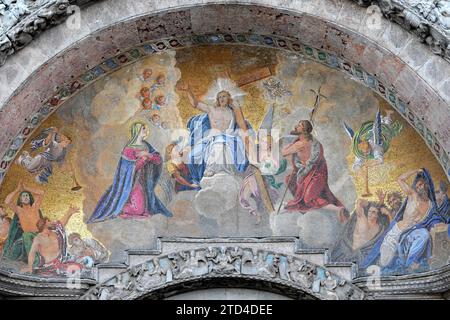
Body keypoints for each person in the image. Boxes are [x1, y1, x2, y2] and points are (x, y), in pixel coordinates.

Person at [361, 168, 445, 274]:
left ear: (427, 185)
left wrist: (438, 223)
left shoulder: (431, 205)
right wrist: (415, 171)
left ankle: (410, 264)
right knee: (385, 263)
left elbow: (434, 218)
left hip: (411, 235)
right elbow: (400, 179)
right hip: (397, 233)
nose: (418, 188)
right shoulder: (413, 196)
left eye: (421, 185)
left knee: (424, 234)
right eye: (417, 186)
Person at [87, 122, 172, 223]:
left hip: (144, 182)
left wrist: (148, 155)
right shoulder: (129, 149)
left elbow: (158, 160)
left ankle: (123, 205)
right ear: (137, 131)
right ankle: (119, 208)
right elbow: (127, 170)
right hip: (131, 183)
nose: (146, 131)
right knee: (138, 210)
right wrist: (143, 160)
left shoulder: (146, 146)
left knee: (144, 208)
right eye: (143, 129)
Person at [178, 83, 251, 183]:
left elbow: (242, 126)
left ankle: (211, 168)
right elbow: (195, 104)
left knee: (219, 143)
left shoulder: (233, 112)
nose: (221, 98)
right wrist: (188, 90)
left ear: (229, 98)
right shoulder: (211, 109)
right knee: (191, 156)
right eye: (219, 97)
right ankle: (197, 179)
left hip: (229, 138)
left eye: (224, 96)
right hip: (212, 138)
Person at [281, 120, 347, 220]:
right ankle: (303, 205)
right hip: (313, 173)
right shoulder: (311, 141)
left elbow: (284, 152)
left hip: (314, 174)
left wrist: (289, 144)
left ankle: (337, 209)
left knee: (309, 199)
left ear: (303, 130)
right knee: (289, 179)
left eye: (299, 125)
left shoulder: (301, 143)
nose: (296, 126)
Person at [21, 206, 84, 276]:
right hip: (48, 266)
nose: (52, 222)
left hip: (59, 262)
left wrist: (69, 212)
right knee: (73, 270)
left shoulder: (55, 232)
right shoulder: (38, 238)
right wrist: (30, 268)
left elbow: (61, 223)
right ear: (45, 223)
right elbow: (32, 253)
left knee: (79, 267)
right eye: (49, 221)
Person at [330, 199, 389, 264]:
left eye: (374, 212)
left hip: (364, 258)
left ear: (378, 215)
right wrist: (369, 203)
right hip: (350, 254)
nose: (370, 214)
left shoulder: (380, 228)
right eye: (369, 211)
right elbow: (359, 202)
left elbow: (393, 227)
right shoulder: (362, 219)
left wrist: (388, 213)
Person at [2, 181, 44, 262]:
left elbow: (41, 192)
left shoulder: (35, 207)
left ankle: (35, 261)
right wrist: (17, 190)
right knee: (13, 253)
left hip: (38, 235)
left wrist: (26, 188)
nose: (25, 197)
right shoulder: (19, 210)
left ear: (30, 198)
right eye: (23, 196)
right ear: (20, 200)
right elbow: (7, 201)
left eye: (27, 195)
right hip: (26, 237)